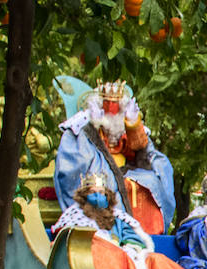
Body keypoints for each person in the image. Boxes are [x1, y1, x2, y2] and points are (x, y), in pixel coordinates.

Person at [52, 172, 193, 269]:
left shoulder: (118, 218)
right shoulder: (74, 216)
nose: (98, 196)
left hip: (126, 255)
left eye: (101, 193)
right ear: (84, 196)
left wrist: (131, 248)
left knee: (158, 260)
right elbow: (72, 241)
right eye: (93, 192)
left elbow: (133, 238)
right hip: (99, 256)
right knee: (110, 257)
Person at [53, 79, 176, 236]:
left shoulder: (126, 124)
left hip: (130, 171)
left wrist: (134, 127)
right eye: (107, 106)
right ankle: (112, 231)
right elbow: (74, 162)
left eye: (116, 107)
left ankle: (147, 234)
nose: (112, 112)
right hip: (99, 170)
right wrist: (92, 126)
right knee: (106, 185)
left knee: (150, 181)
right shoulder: (81, 125)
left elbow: (145, 153)